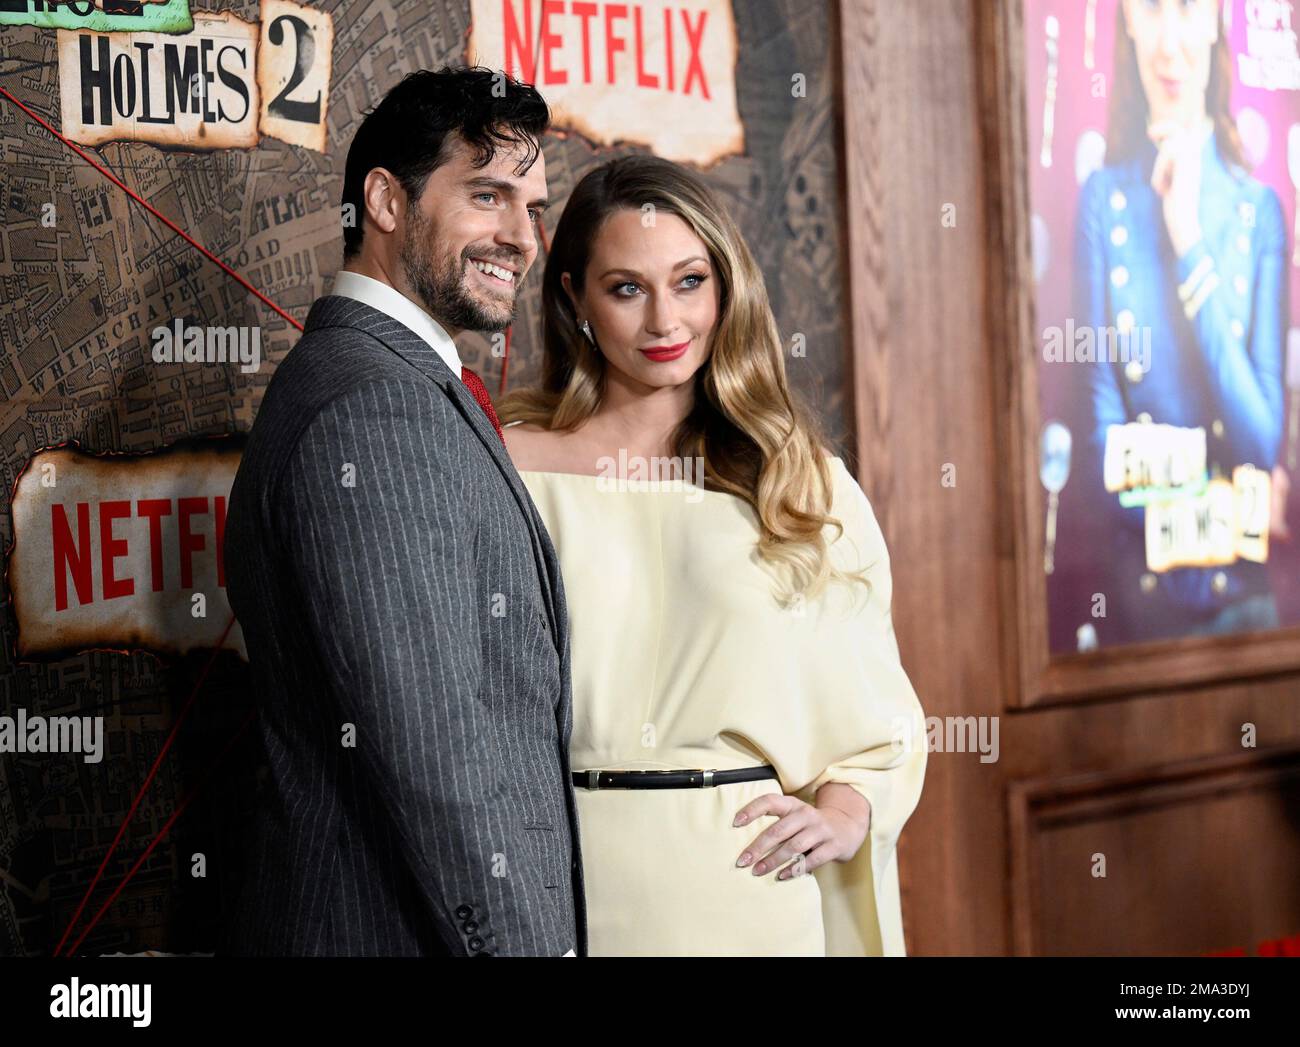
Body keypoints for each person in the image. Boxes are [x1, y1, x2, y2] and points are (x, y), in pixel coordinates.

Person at [499, 155, 927, 956]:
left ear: (726, 287)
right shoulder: (507, 469)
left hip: (747, 888)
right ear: (575, 299)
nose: (666, 320)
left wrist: (843, 810)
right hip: (560, 881)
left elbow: (877, 716)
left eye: (690, 281)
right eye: (627, 288)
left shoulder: (798, 480)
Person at [222, 68, 585, 956]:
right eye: (487, 195)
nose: (521, 237)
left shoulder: (395, 381)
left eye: (532, 207)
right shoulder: (376, 406)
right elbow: (439, 761)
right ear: (385, 200)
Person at [1077, 0, 1288, 642]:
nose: (1172, 43)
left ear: (1219, 20)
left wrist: (1188, 238)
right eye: (1153, 9)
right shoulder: (1102, 204)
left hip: (1248, 618)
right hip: (1138, 613)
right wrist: (1239, 505)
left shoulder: (1259, 213)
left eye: (1190, 9)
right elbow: (1102, 458)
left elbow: (1260, 441)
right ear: (1128, 21)